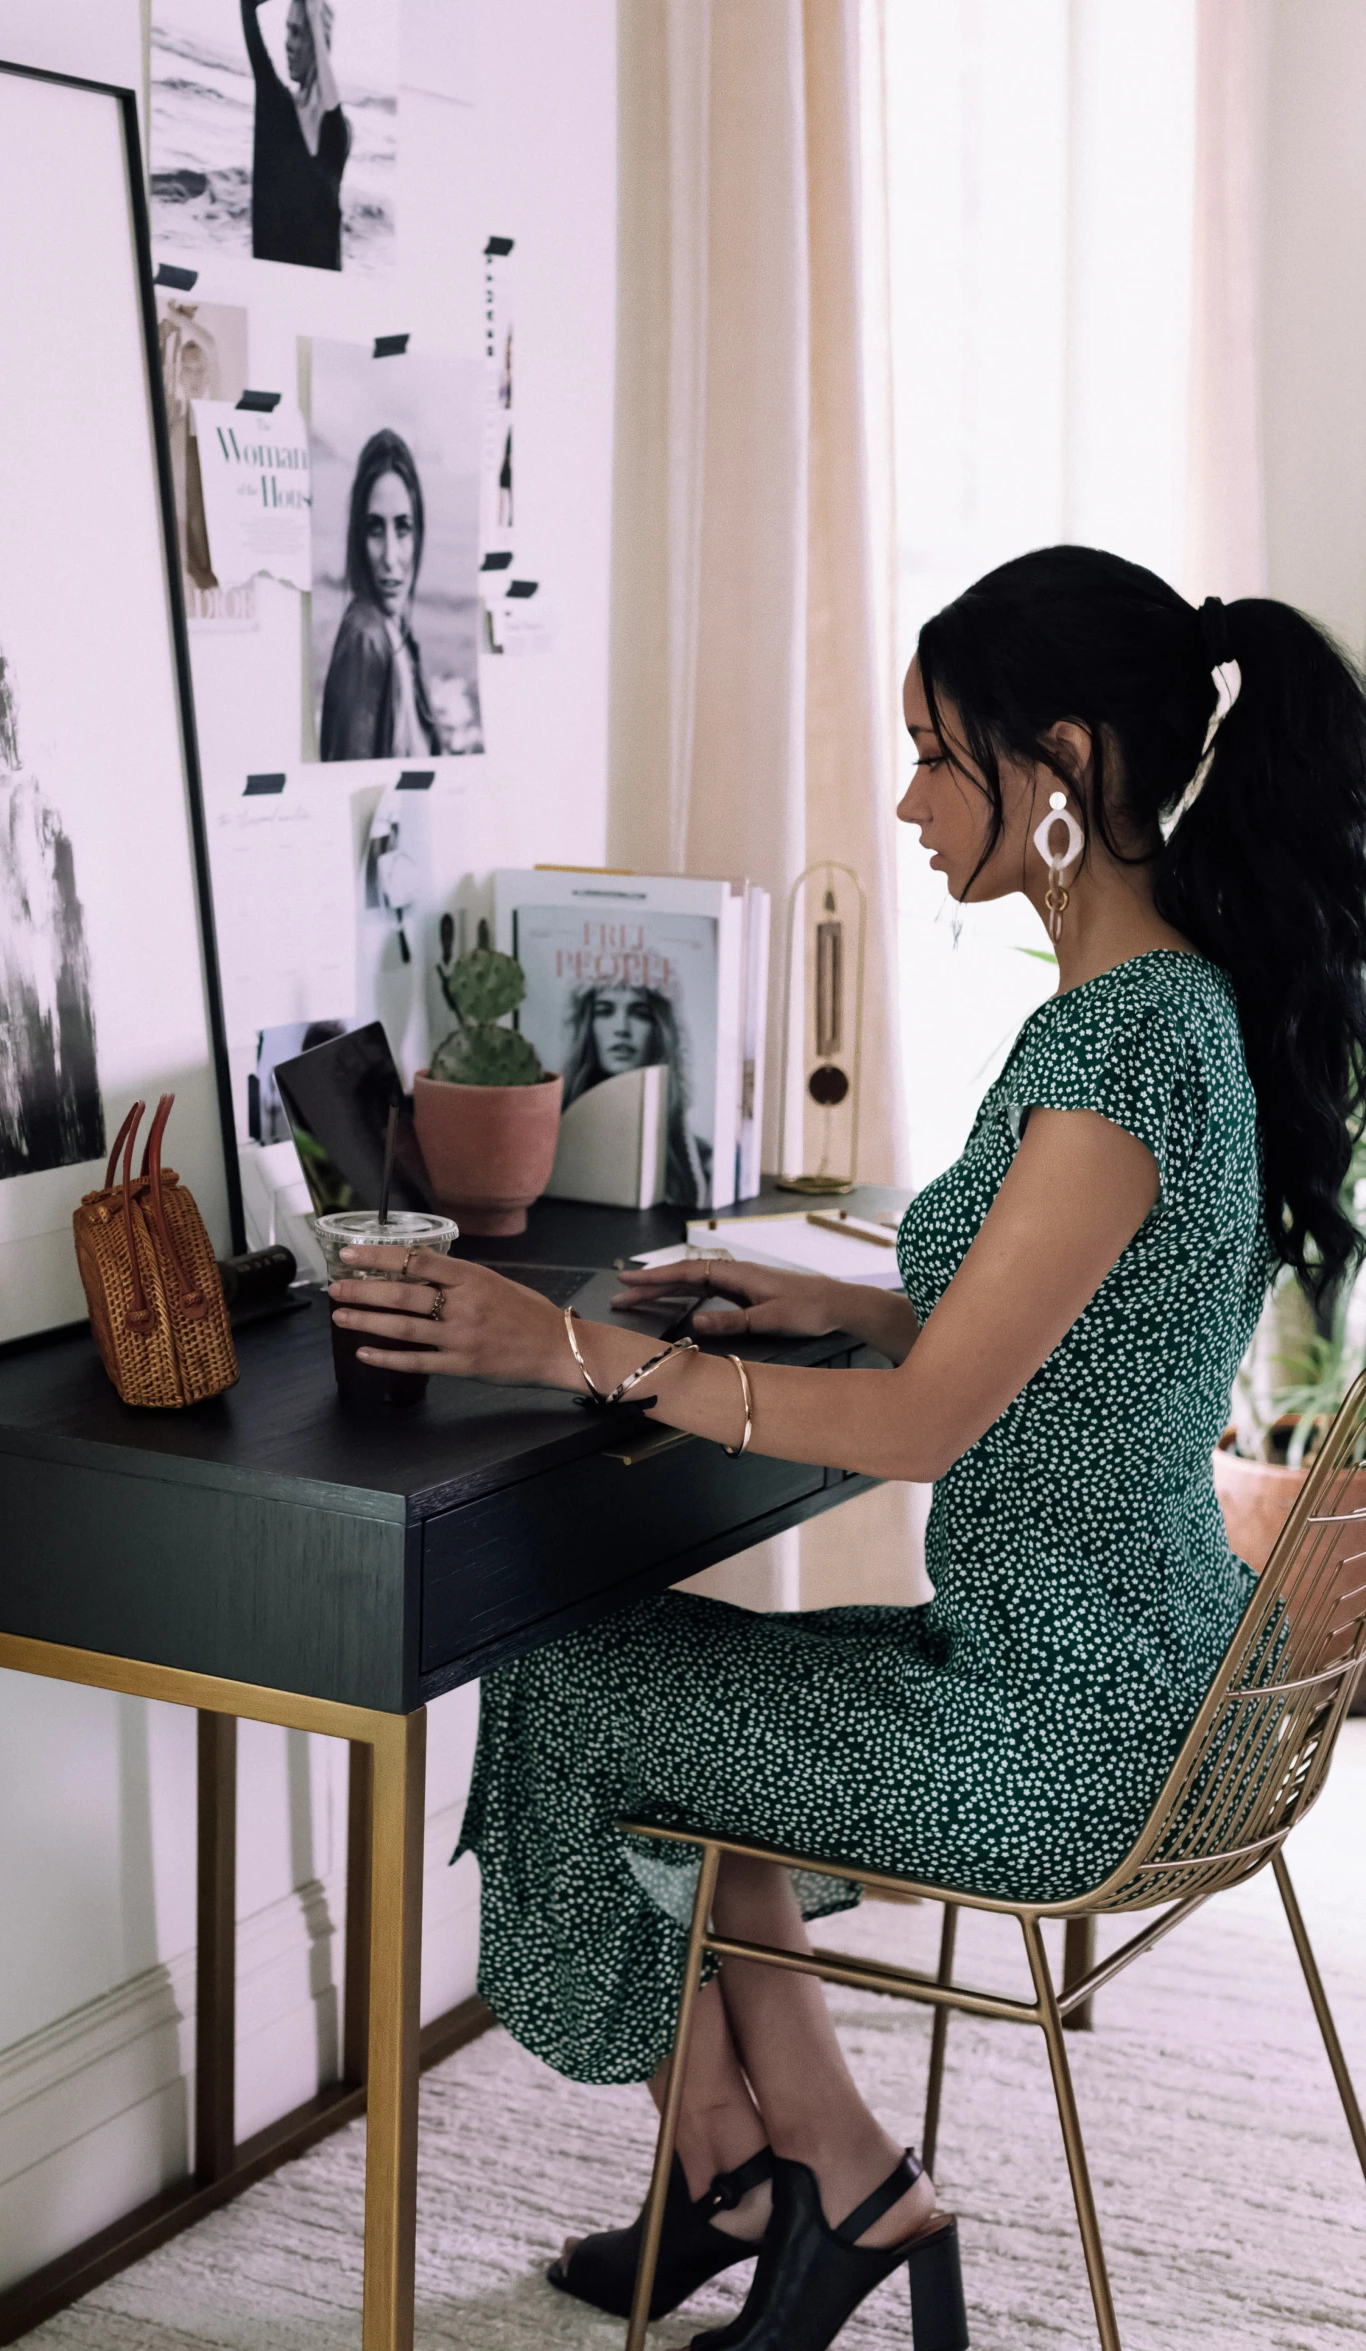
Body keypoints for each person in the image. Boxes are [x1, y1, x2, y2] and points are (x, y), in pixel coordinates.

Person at [325, 547, 1366, 2348]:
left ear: (1052, 771)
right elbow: (1077, 1337)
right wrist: (863, 1309)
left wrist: (563, 1341)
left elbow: (919, 1431)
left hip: (1069, 1742)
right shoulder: (1164, 1012)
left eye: (932, 756)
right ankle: (792, 2175)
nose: (902, 801)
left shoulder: (1117, 1050)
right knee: (678, 1690)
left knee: (579, 1690)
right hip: (1152, 1675)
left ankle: (777, 2172)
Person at [319, 428, 442, 761]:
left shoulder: (396, 630)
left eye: (402, 528)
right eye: (375, 529)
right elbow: (351, 789)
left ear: (418, 532)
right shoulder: (365, 640)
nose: (390, 556)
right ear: (359, 537)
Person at [562, 980, 713, 1207]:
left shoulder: (703, 1160)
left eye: (640, 1014)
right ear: (587, 1024)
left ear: (659, 1029)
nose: (621, 1028)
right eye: (604, 1011)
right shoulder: (552, 1137)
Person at [241, 0, 350, 272]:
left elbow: (331, 110)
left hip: (318, 295)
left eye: (297, 33)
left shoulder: (338, 133)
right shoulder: (274, 102)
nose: (287, 43)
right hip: (266, 284)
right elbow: (247, 8)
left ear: (317, 44)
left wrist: (315, 15)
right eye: (287, 31)